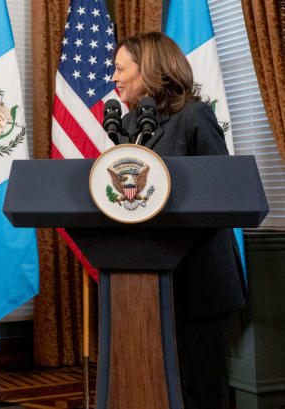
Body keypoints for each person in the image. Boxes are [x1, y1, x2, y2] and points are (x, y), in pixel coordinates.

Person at [111, 32, 246, 409]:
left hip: (198, 279)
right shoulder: (131, 123)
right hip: (146, 283)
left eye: (121, 69)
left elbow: (223, 195)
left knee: (201, 389)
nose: (114, 78)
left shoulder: (194, 116)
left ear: (149, 69)